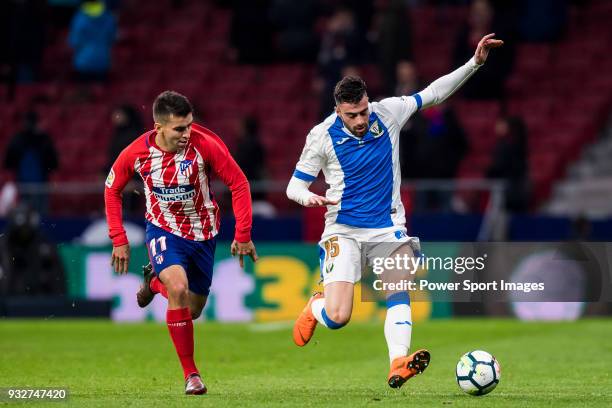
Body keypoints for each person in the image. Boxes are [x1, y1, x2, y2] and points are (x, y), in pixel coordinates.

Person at [287, 34, 502, 388]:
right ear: (338, 110)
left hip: (389, 229)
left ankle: (397, 361)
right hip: (343, 231)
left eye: (363, 110)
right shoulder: (321, 136)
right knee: (338, 316)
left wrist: (474, 63)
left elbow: (433, 93)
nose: (360, 120)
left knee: (399, 288)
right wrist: (307, 197)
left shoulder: (388, 112)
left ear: (369, 101)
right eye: (352, 115)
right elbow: (294, 186)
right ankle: (315, 308)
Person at [104, 91, 258, 395]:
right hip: (163, 230)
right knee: (178, 288)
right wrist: (118, 238)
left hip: (204, 233)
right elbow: (112, 190)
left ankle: (153, 285)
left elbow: (239, 183)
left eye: (189, 125)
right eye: (179, 128)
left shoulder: (205, 145)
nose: (187, 133)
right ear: (158, 126)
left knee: (193, 309)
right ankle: (192, 375)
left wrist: (243, 235)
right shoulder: (135, 153)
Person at [4, 111, 59, 215]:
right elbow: (54, 164)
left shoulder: (20, 139)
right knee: (35, 216)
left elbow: (53, 163)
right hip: (29, 186)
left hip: (36, 187)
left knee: (30, 216)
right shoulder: (40, 139)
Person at [68, 0, 117, 82]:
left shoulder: (79, 18)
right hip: (103, 63)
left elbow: (74, 41)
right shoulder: (109, 17)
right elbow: (112, 38)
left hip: (82, 64)